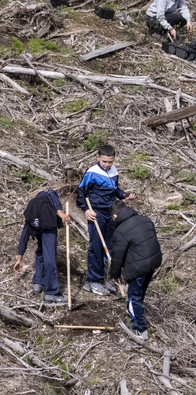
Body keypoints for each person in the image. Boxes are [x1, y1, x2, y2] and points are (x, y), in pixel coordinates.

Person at [77, 144, 137, 296]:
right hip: (96, 213)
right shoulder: (92, 172)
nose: (107, 164)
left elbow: (115, 190)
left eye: (110, 162)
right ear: (97, 157)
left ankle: (105, 279)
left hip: (111, 213)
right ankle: (92, 281)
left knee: (110, 246)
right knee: (96, 246)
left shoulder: (114, 171)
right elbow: (81, 193)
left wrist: (124, 195)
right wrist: (86, 210)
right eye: (104, 161)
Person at [109, 200, 163, 344]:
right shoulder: (145, 219)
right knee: (140, 292)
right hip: (154, 261)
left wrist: (115, 275)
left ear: (114, 216)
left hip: (138, 266)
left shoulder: (120, 231)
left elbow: (117, 256)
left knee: (134, 296)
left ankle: (140, 329)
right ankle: (132, 311)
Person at [12, 188, 70, 306]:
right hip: (48, 219)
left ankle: (38, 282)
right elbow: (53, 195)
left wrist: (19, 259)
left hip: (35, 221)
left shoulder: (33, 205)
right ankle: (52, 293)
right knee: (49, 255)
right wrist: (61, 212)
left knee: (41, 250)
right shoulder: (49, 194)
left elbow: (24, 236)